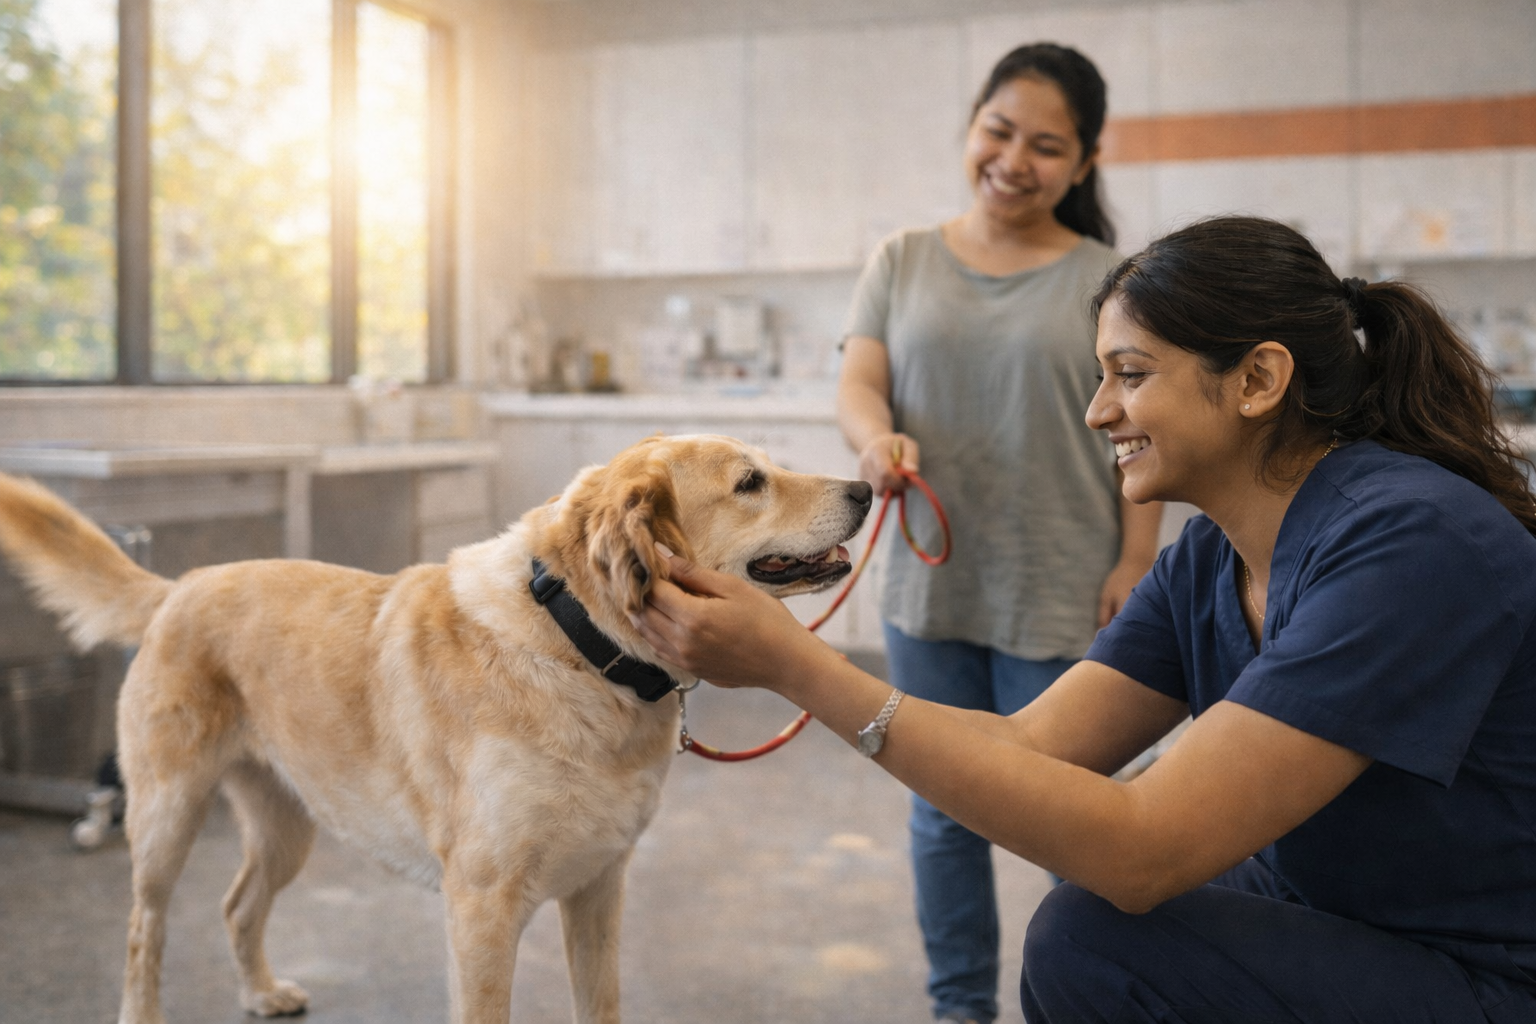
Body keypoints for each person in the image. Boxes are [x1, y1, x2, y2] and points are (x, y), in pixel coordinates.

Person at [632, 215, 1536, 1024]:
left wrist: (796, 666)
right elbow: (1028, 747)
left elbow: (1145, 848)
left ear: (1259, 379)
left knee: (1093, 935)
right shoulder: (1209, 559)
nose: (1099, 411)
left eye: (1129, 376)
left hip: (1486, 969)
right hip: (1352, 905)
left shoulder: (1411, 541)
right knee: (1114, 908)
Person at [835, 41, 1163, 1024]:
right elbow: (860, 382)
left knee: (1082, 818)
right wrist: (872, 440)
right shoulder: (901, 258)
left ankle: (1108, 999)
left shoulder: (1115, 278)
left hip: (1066, 583)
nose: (1015, 159)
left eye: (1047, 146)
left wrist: (1135, 562)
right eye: (999, 131)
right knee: (942, 817)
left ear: (1084, 162)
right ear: (971, 127)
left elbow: (1145, 424)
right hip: (931, 595)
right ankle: (960, 1009)